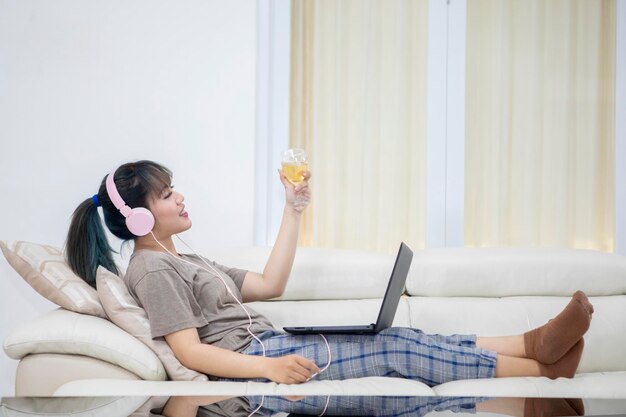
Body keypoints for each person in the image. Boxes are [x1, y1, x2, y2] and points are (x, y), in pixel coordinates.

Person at [65, 160, 593, 387]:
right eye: (166, 193)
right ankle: (546, 371)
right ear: (137, 216)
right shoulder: (153, 270)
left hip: (268, 340)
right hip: (255, 357)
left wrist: (293, 209)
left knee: (404, 335)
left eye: (174, 187)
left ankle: (533, 344)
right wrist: (268, 371)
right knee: (396, 351)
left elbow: (271, 285)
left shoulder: (188, 259)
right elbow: (188, 351)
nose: (180, 196)